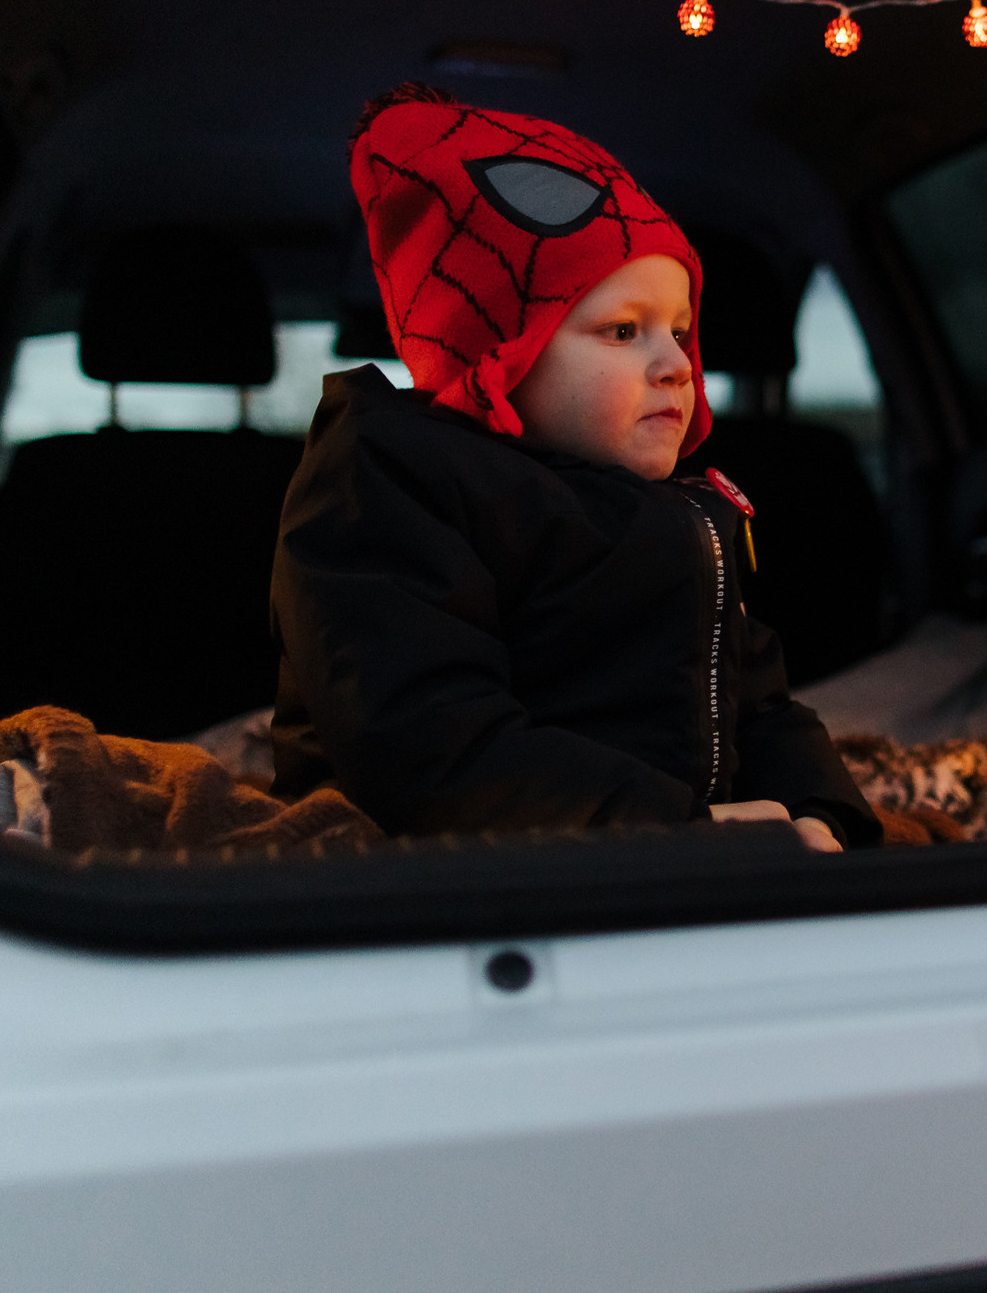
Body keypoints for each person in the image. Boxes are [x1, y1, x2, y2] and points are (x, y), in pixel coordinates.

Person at [267, 84, 881, 852]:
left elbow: (760, 710)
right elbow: (423, 737)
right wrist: (678, 830)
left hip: (661, 856)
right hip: (464, 875)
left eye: (681, 331)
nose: (677, 365)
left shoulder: (684, 515)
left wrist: (823, 814)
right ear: (500, 348)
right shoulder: (391, 475)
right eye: (623, 330)